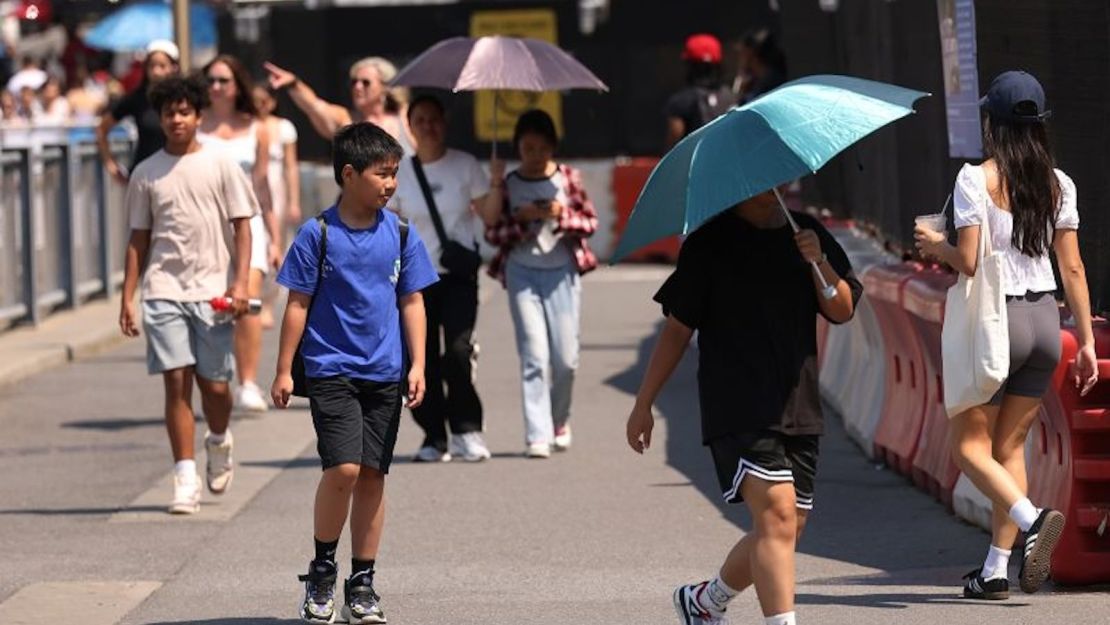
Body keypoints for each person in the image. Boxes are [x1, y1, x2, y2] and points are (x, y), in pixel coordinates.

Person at [625, 189, 862, 625]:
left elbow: (843, 311)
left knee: (787, 527)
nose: (770, 189)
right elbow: (677, 331)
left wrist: (818, 261)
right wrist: (644, 403)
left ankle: (706, 601)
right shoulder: (708, 244)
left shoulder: (806, 233)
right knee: (777, 515)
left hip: (799, 402)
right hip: (736, 403)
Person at [915, 70, 1098, 600]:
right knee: (1011, 444)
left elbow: (969, 262)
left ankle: (1032, 518)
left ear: (990, 122)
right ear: (1040, 124)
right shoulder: (1059, 184)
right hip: (1045, 322)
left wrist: (934, 246)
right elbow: (1075, 269)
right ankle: (995, 567)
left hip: (997, 323)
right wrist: (1083, 340)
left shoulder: (975, 179)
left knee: (967, 447)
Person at [270, 122, 437, 624]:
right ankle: (322, 570)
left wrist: (419, 363)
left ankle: (361, 583)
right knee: (342, 469)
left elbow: (412, 299)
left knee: (371, 476)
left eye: (394, 174)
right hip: (330, 370)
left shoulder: (402, 232)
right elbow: (297, 304)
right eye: (381, 174)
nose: (390, 184)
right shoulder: (317, 234)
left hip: (385, 372)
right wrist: (283, 370)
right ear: (348, 174)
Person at [119, 75, 258, 515]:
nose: (176, 119)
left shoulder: (221, 163)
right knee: (175, 382)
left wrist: (240, 283)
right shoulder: (146, 172)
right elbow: (138, 239)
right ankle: (184, 477)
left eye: (184, 112)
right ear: (160, 119)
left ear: (198, 116)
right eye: (168, 113)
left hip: (213, 290)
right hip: (163, 290)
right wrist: (128, 296)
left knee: (215, 386)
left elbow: (242, 225)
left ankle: (218, 440)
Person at [390, 94, 501, 463]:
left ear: (445, 122)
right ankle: (433, 435)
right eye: (420, 119)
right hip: (414, 280)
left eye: (434, 119)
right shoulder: (399, 172)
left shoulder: (465, 165)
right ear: (410, 126)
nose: (428, 126)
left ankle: (467, 430)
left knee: (457, 350)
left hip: (457, 275)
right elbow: (387, 224)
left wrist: (498, 183)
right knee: (421, 360)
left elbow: (490, 216)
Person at [485, 109, 598, 458]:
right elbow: (492, 231)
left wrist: (561, 215)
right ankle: (537, 433)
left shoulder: (568, 178)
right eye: (527, 148)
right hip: (522, 271)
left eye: (541, 148)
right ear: (518, 147)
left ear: (553, 147)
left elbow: (590, 222)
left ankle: (558, 419)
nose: (534, 157)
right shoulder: (509, 184)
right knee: (534, 353)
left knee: (566, 359)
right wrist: (522, 220)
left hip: (561, 271)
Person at [197, 54, 280, 414]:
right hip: (207, 224)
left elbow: (262, 186)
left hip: (250, 222)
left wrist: (275, 237)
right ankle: (217, 375)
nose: (216, 87)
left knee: (248, 297)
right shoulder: (196, 127)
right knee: (215, 303)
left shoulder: (256, 128)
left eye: (223, 81)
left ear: (237, 86)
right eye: (211, 81)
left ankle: (247, 381)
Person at [263, 57, 414, 151]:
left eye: (365, 82)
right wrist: (294, 84)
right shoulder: (347, 120)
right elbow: (314, 105)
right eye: (354, 82)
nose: (358, 87)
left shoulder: (406, 118)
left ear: (385, 87)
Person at [252, 84, 301, 328]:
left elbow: (290, 166)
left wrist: (294, 200)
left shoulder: (284, 128)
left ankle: (269, 301)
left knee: (275, 245)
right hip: (252, 188)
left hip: (276, 189)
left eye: (264, 101)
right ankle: (254, 296)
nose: (260, 106)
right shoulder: (246, 126)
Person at [96, 40, 179, 183]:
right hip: (144, 178)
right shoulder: (137, 98)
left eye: (162, 66)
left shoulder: (184, 99)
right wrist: (110, 164)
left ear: (174, 68)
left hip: (176, 175)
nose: (156, 71)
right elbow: (102, 128)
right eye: (152, 66)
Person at [664, 34, 736, 148]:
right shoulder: (731, 96)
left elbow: (674, 138)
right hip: (729, 161)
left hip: (696, 163)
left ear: (689, 65)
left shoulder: (681, 101)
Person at [732, 27, 788, 105]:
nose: (739, 58)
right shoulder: (751, 82)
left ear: (750, 53)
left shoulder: (772, 84)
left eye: (742, 53)